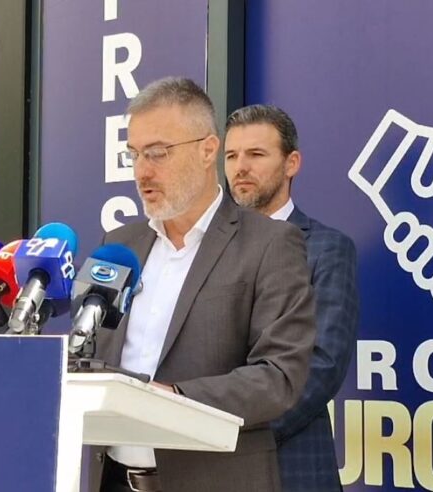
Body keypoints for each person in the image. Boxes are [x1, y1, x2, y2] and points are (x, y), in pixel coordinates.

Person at [88, 77, 316, 492]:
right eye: (134, 154)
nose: (142, 171)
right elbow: (87, 350)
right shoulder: (118, 245)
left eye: (157, 153)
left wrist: (172, 398)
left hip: (213, 480)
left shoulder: (269, 243)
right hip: (110, 479)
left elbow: (279, 376)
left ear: (208, 150)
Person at [224, 104, 359, 492]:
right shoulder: (207, 251)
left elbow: (322, 365)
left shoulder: (327, 249)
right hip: (202, 467)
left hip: (289, 468)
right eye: (231, 156)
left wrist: (234, 435)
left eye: (256, 154)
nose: (240, 167)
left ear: (291, 163)